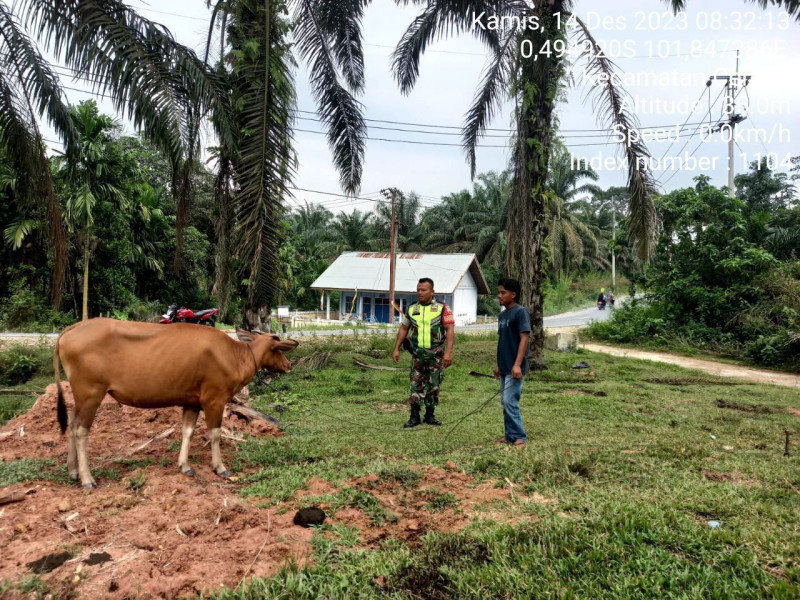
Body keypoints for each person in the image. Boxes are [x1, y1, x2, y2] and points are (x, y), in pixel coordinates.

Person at [393, 278, 455, 428]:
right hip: (417, 355)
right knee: (415, 385)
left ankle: (430, 415)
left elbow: (449, 330)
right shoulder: (412, 308)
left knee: (433, 385)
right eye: (418, 290)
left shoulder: (442, 308)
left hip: (436, 355)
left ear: (432, 292)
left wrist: (448, 353)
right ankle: (414, 416)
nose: (420, 292)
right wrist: (396, 348)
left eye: (424, 290)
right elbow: (404, 329)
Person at [493, 278, 530, 447]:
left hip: (515, 367)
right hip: (504, 365)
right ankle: (509, 435)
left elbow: (524, 338)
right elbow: (503, 341)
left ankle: (519, 436)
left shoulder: (520, 312)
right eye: (499, 292)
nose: (499, 295)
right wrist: (498, 364)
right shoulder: (502, 315)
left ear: (513, 295)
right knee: (504, 401)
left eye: (503, 292)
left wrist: (517, 364)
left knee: (510, 401)